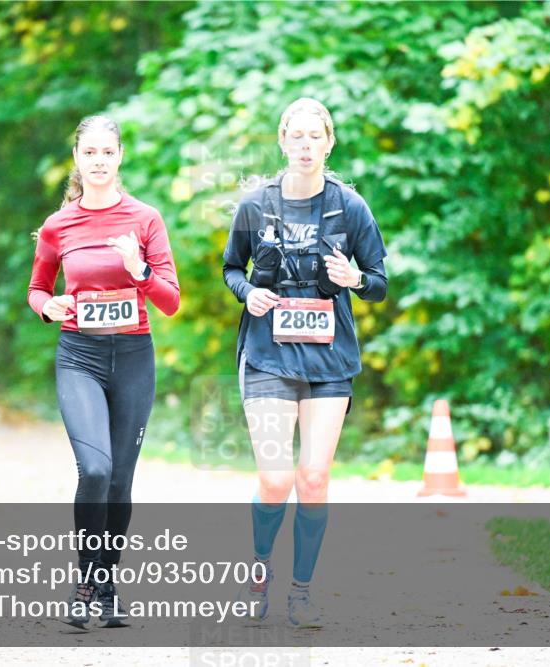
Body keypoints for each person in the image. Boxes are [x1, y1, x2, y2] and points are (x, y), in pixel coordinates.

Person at [222, 97, 388, 627]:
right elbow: (231, 269)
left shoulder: (350, 207)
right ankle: (259, 570)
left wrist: (354, 280)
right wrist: (248, 292)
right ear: (282, 141)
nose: (305, 146)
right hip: (268, 354)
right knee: (275, 479)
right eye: (296, 136)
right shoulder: (256, 205)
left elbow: (379, 284)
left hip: (329, 358)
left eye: (315, 137)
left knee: (313, 477)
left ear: (329, 143)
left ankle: (302, 592)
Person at [27, 115, 180, 630]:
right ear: (77, 158)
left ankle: (108, 584)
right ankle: (84, 582)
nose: (98, 161)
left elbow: (172, 301)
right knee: (94, 470)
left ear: (119, 158)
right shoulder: (58, 224)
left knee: (119, 480)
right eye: (89, 153)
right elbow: (37, 288)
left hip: (134, 358)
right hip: (80, 357)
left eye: (107, 153)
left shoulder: (145, 218)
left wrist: (139, 270)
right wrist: (46, 307)